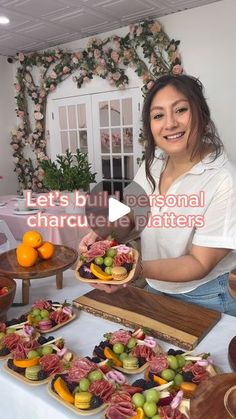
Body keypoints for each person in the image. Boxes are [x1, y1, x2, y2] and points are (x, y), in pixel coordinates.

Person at [79, 74, 236, 316]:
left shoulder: (224, 179)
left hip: (207, 296)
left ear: (201, 115)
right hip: (156, 286)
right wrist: (104, 233)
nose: (170, 123)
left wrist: (131, 269)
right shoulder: (154, 162)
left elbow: (199, 263)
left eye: (181, 110)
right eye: (158, 115)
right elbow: (132, 214)